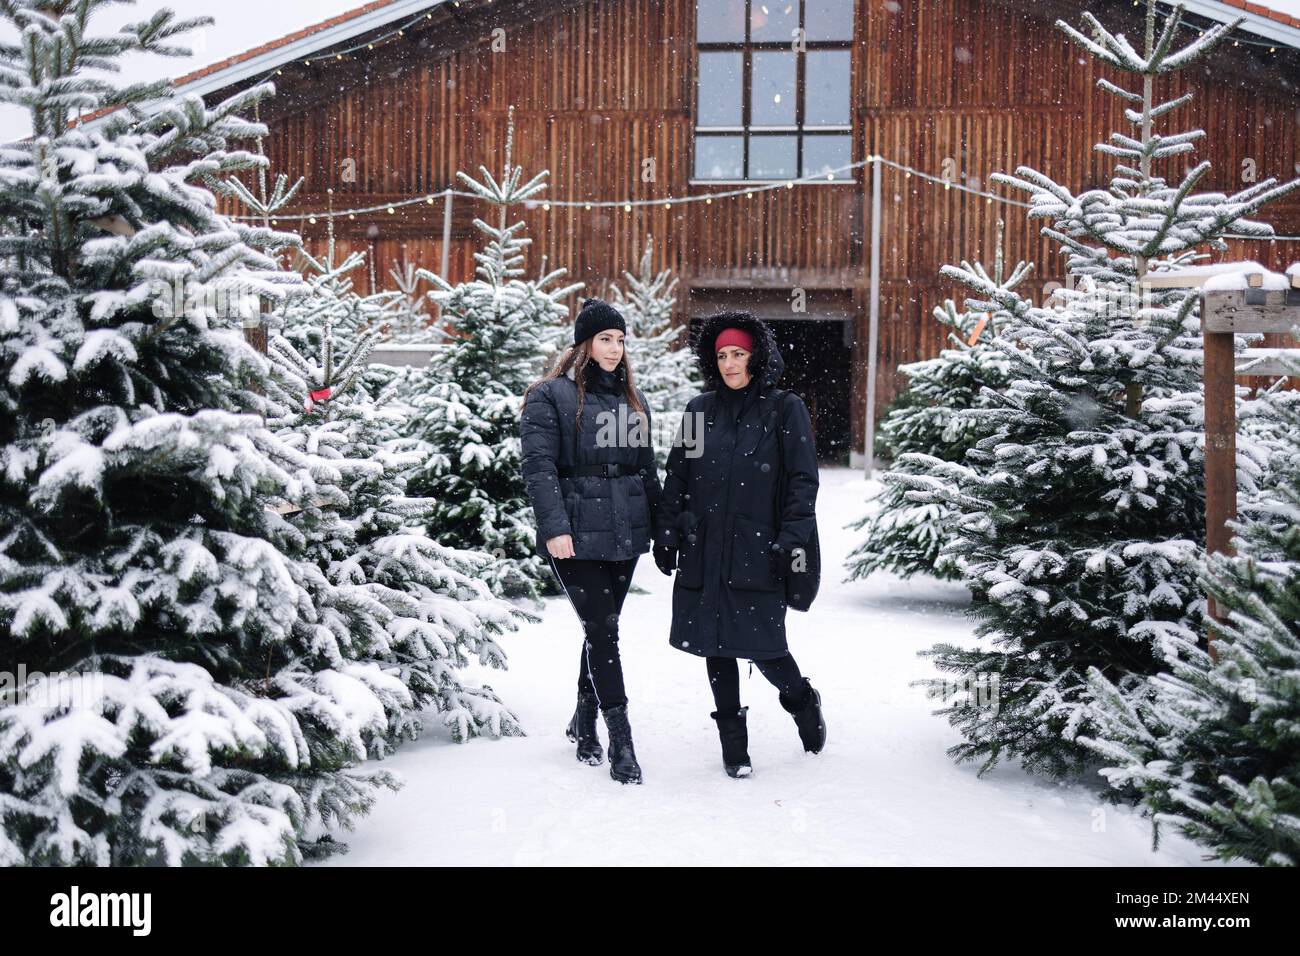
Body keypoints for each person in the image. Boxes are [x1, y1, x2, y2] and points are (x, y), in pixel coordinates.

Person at [653, 311, 826, 778]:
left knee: (765, 646)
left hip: (758, 548)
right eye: (722, 355)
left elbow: (801, 482)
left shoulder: (783, 408)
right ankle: (734, 744)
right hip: (705, 546)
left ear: (756, 357)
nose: (730, 363)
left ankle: (801, 700)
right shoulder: (698, 410)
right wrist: (667, 532)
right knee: (715, 645)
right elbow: (679, 475)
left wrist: (790, 541)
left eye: (738, 354)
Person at [519, 297, 660, 784]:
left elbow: (647, 470)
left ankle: (583, 722)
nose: (616, 348)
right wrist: (555, 528)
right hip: (576, 535)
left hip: (626, 532)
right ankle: (621, 741)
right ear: (584, 343)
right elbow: (538, 469)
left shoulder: (631, 401)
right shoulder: (549, 395)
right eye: (606, 338)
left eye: (620, 340)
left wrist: (661, 531)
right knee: (603, 631)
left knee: (602, 627)